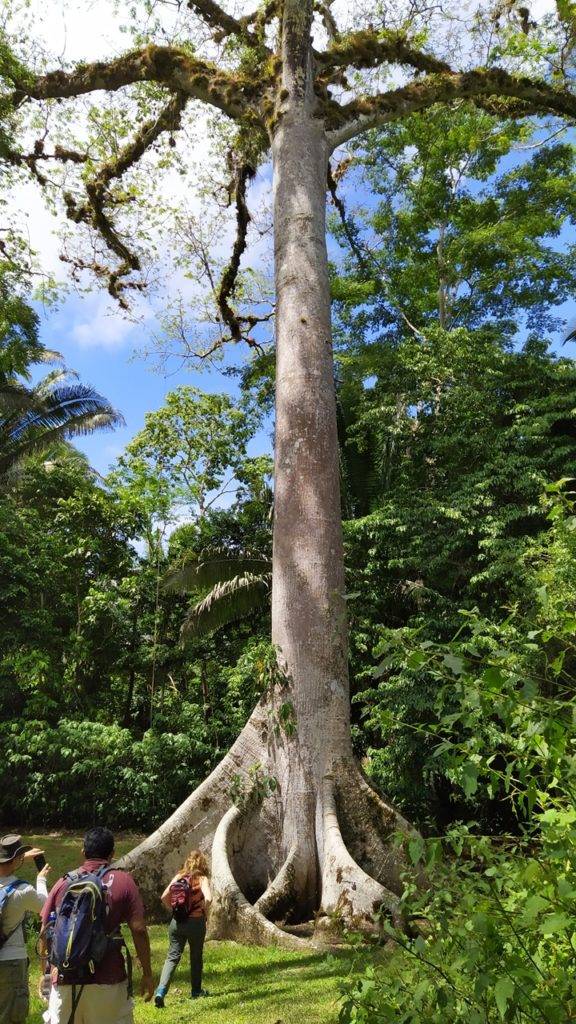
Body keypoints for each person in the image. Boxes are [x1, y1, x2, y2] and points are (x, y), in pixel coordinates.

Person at [41, 826, 154, 1024]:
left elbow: (45, 930)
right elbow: (138, 929)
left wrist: (46, 974)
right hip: (108, 980)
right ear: (112, 853)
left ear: (83, 852)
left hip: (66, 980)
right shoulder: (123, 881)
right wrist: (147, 974)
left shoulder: (63, 882)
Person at [0, 834, 51, 1024]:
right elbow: (44, 907)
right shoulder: (22, 890)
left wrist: (18, 858)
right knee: (12, 1016)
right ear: (16, 860)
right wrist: (41, 880)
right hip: (11, 960)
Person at [154, 850, 212, 1008]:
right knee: (196, 957)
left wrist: (175, 911)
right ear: (202, 864)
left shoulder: (179, 877)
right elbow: (209, 898)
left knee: (172, 957)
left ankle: (160, 991)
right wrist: (203, 910)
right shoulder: (202, 878)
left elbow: (164, 897)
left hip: (177, 922)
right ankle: (196, 991)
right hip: (196, 923)